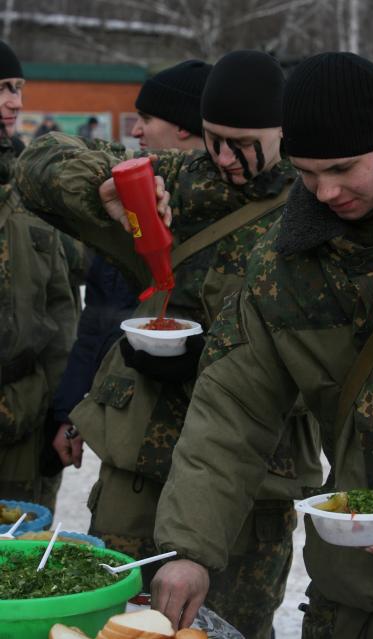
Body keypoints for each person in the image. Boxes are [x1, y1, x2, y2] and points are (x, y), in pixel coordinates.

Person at [15, 50, 322, 639]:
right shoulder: (176, 180)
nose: (226, 158)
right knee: (115, 625)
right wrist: (104, 187)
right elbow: (40, 163)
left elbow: (329, 363)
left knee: (226, 628)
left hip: (250, 488)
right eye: (214, 139)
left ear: (283, 129)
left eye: (243, 142)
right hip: (140, 469)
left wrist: (218, 361)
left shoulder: (312, 211)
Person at [148, 52, 373, 638]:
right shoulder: (286, 262)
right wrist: (190, 548)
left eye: (345, 169)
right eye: (305, 172)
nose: (324, 193)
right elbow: (232, 408)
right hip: (353, 597)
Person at [51, 59, 210, 470]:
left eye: (146, 118)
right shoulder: (130, 211)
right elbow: (98, 323)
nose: (135, 130)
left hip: (204, 448)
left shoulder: (231, 218)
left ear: (184, 126)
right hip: (128, 442)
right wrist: (71, 410)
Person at [0, 40, 76, 508]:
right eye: (3, 89)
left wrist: (61, 409)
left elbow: (62, 309)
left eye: (18, 88)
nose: (16, 102)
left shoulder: (29, 189)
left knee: (19, 567)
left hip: (24, 425)